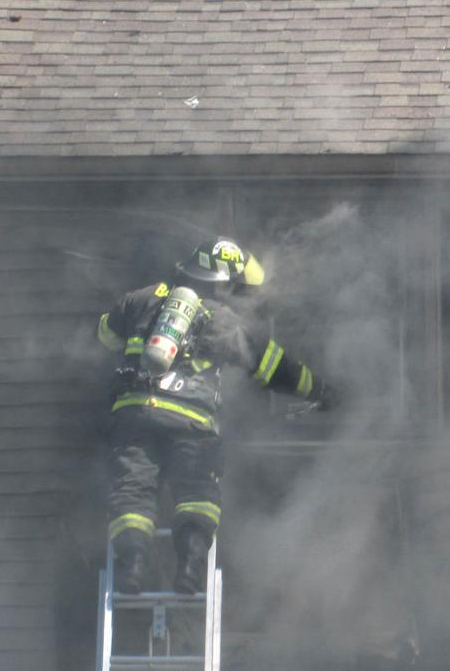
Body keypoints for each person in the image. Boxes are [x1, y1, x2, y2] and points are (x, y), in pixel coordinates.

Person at [96, 237, 338, 594]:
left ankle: (131, 567)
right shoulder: (223, 321)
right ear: (224, 284)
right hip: (192, 424)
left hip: (135, 415)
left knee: (133, 490)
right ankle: (190, 568)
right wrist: (320, 391)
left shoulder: (142, 297)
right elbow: (273, 367)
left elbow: (106, 335)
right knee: (197, 492)